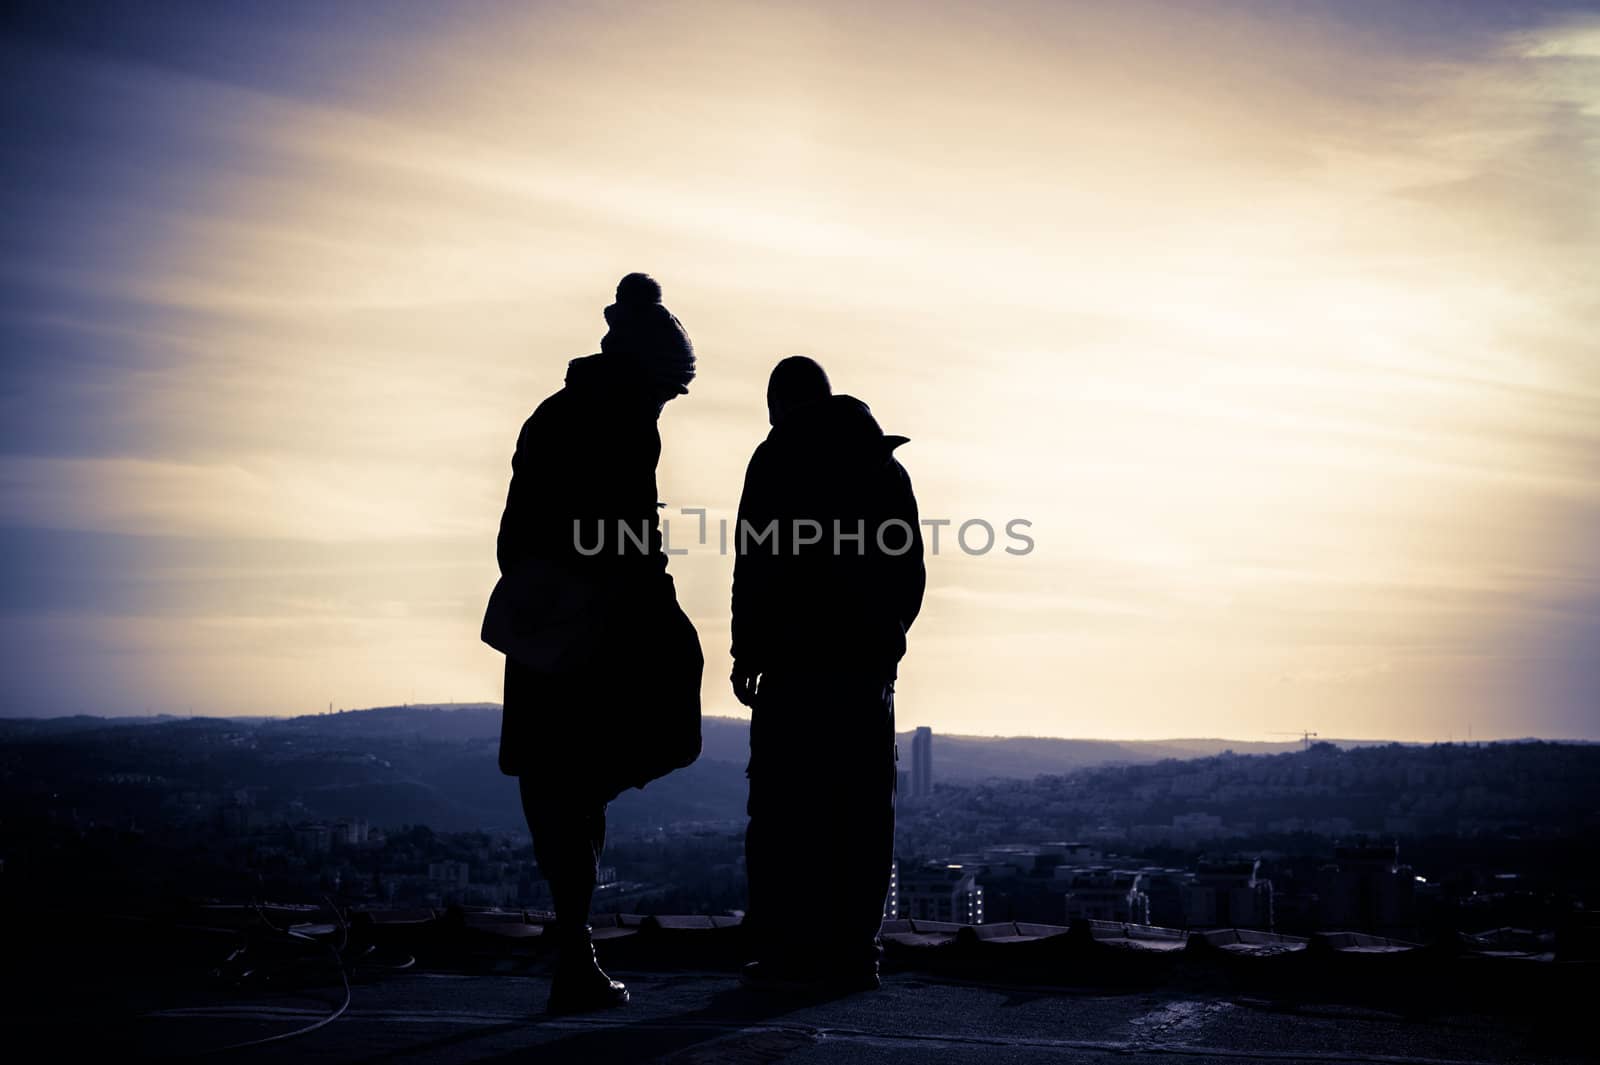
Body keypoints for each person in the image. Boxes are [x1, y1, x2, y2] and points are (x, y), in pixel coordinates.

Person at [490, 273, 703, 1015]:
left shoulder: (562, 410)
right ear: (650, 372)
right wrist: (644, 594)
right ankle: (575, 948)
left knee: (562, 781)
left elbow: (518, 533)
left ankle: (575, 945)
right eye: (671, 391)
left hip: (554, 626)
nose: (670, 404)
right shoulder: (621, 416)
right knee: (602, 762)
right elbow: (626, 534)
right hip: (590, 627)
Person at [730, 356, 925, 991]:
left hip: (792, 666)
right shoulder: (882, 467)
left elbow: (754, 566)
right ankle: (854, 953)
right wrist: (886, 642)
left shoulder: (775, 463)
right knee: (861, 813)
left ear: (779, 404)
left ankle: (786, 952)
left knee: (786, 813)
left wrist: (746, 651)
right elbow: (909, 573)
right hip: (864, 669)